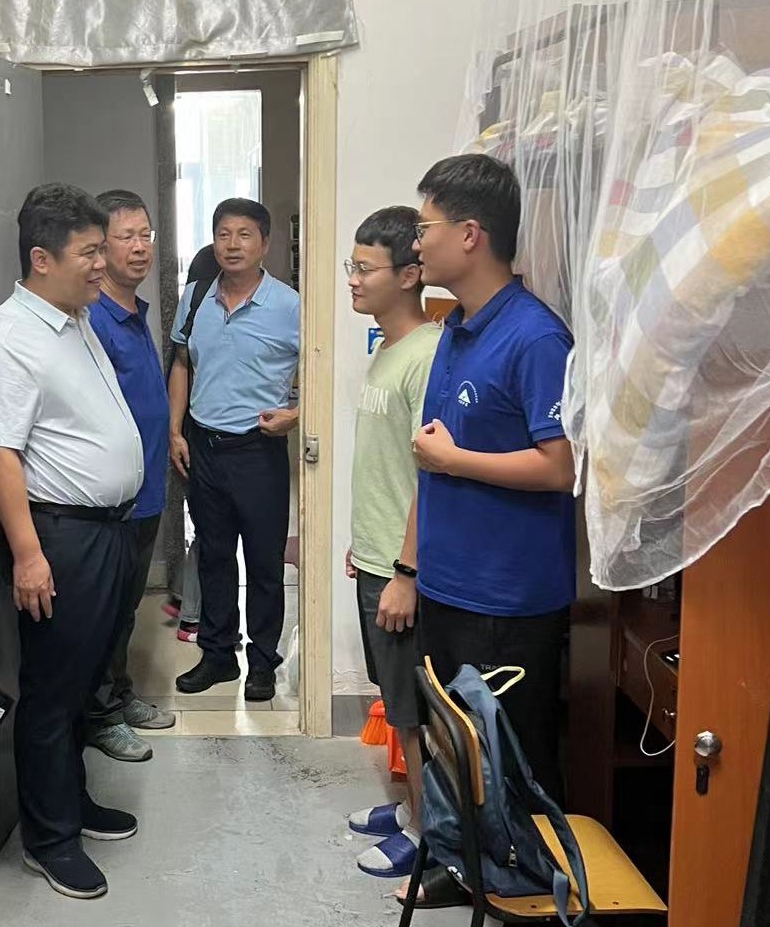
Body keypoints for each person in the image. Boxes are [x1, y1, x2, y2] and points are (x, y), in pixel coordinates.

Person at [403, 153, 575, 905]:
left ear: (470, 235)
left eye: (426, 227)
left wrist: (455, 460)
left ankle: (526, 889)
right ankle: (466, 868)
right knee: (458, 749)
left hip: (506, 598)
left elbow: (560, 466)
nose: (417, 243)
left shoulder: (535, 338)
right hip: (450, 583)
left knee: (513, 758)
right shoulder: (458, 327)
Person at [0, 183, 143, 900]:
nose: (103, 264)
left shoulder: (75, 319)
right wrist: (28, 555)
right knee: (51, 691)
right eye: (89, 252)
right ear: (42, 259)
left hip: (105, 531)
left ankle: (73, 802)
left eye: (103, 249)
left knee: (82, 683)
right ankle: (49, 838)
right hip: (60, 537)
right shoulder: (8, 340)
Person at [338, 206, 440, 885]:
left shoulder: (426, 356)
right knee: (396, 701)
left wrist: (405, 569)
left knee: (416, 715)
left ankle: (431, 839)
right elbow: (386, 465)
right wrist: (365, 546)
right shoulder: (388, 347)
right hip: (377, 558)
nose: (353, 279)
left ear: (408, 274)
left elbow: (431, 478)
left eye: (364, 268)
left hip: (404, 570)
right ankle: (410, 813)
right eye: (352, 265)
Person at [169, 199, 300, 702]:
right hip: (203, 446)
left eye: (244, 235)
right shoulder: (196, 296)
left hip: (257, 450)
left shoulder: (289, 306)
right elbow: (182, 363)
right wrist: (176, 431)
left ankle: (262, 662)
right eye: (223, 234)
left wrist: (296, 414)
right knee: (214, 555)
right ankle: (218, 655)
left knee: (264, 563)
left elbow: (322, 369)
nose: (232, 244)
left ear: (264, 243)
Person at [83, 190, 177, 763]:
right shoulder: (93, 317)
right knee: (104, 614)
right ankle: (100, 715)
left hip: (145, 494)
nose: (140, 247)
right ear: (101, 247)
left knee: (125, 610)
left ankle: (119, 696)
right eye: (126, 237)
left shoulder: (134, 310)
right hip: (113, 501)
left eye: (146, 235)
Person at [162, 243, 221, 643]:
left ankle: (185, 598)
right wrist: (177, 434)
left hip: (186, 437)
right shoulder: (198, 314)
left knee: (205, 528)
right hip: (195, 439)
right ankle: (191, 616)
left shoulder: (192, 315)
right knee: (209, 530)